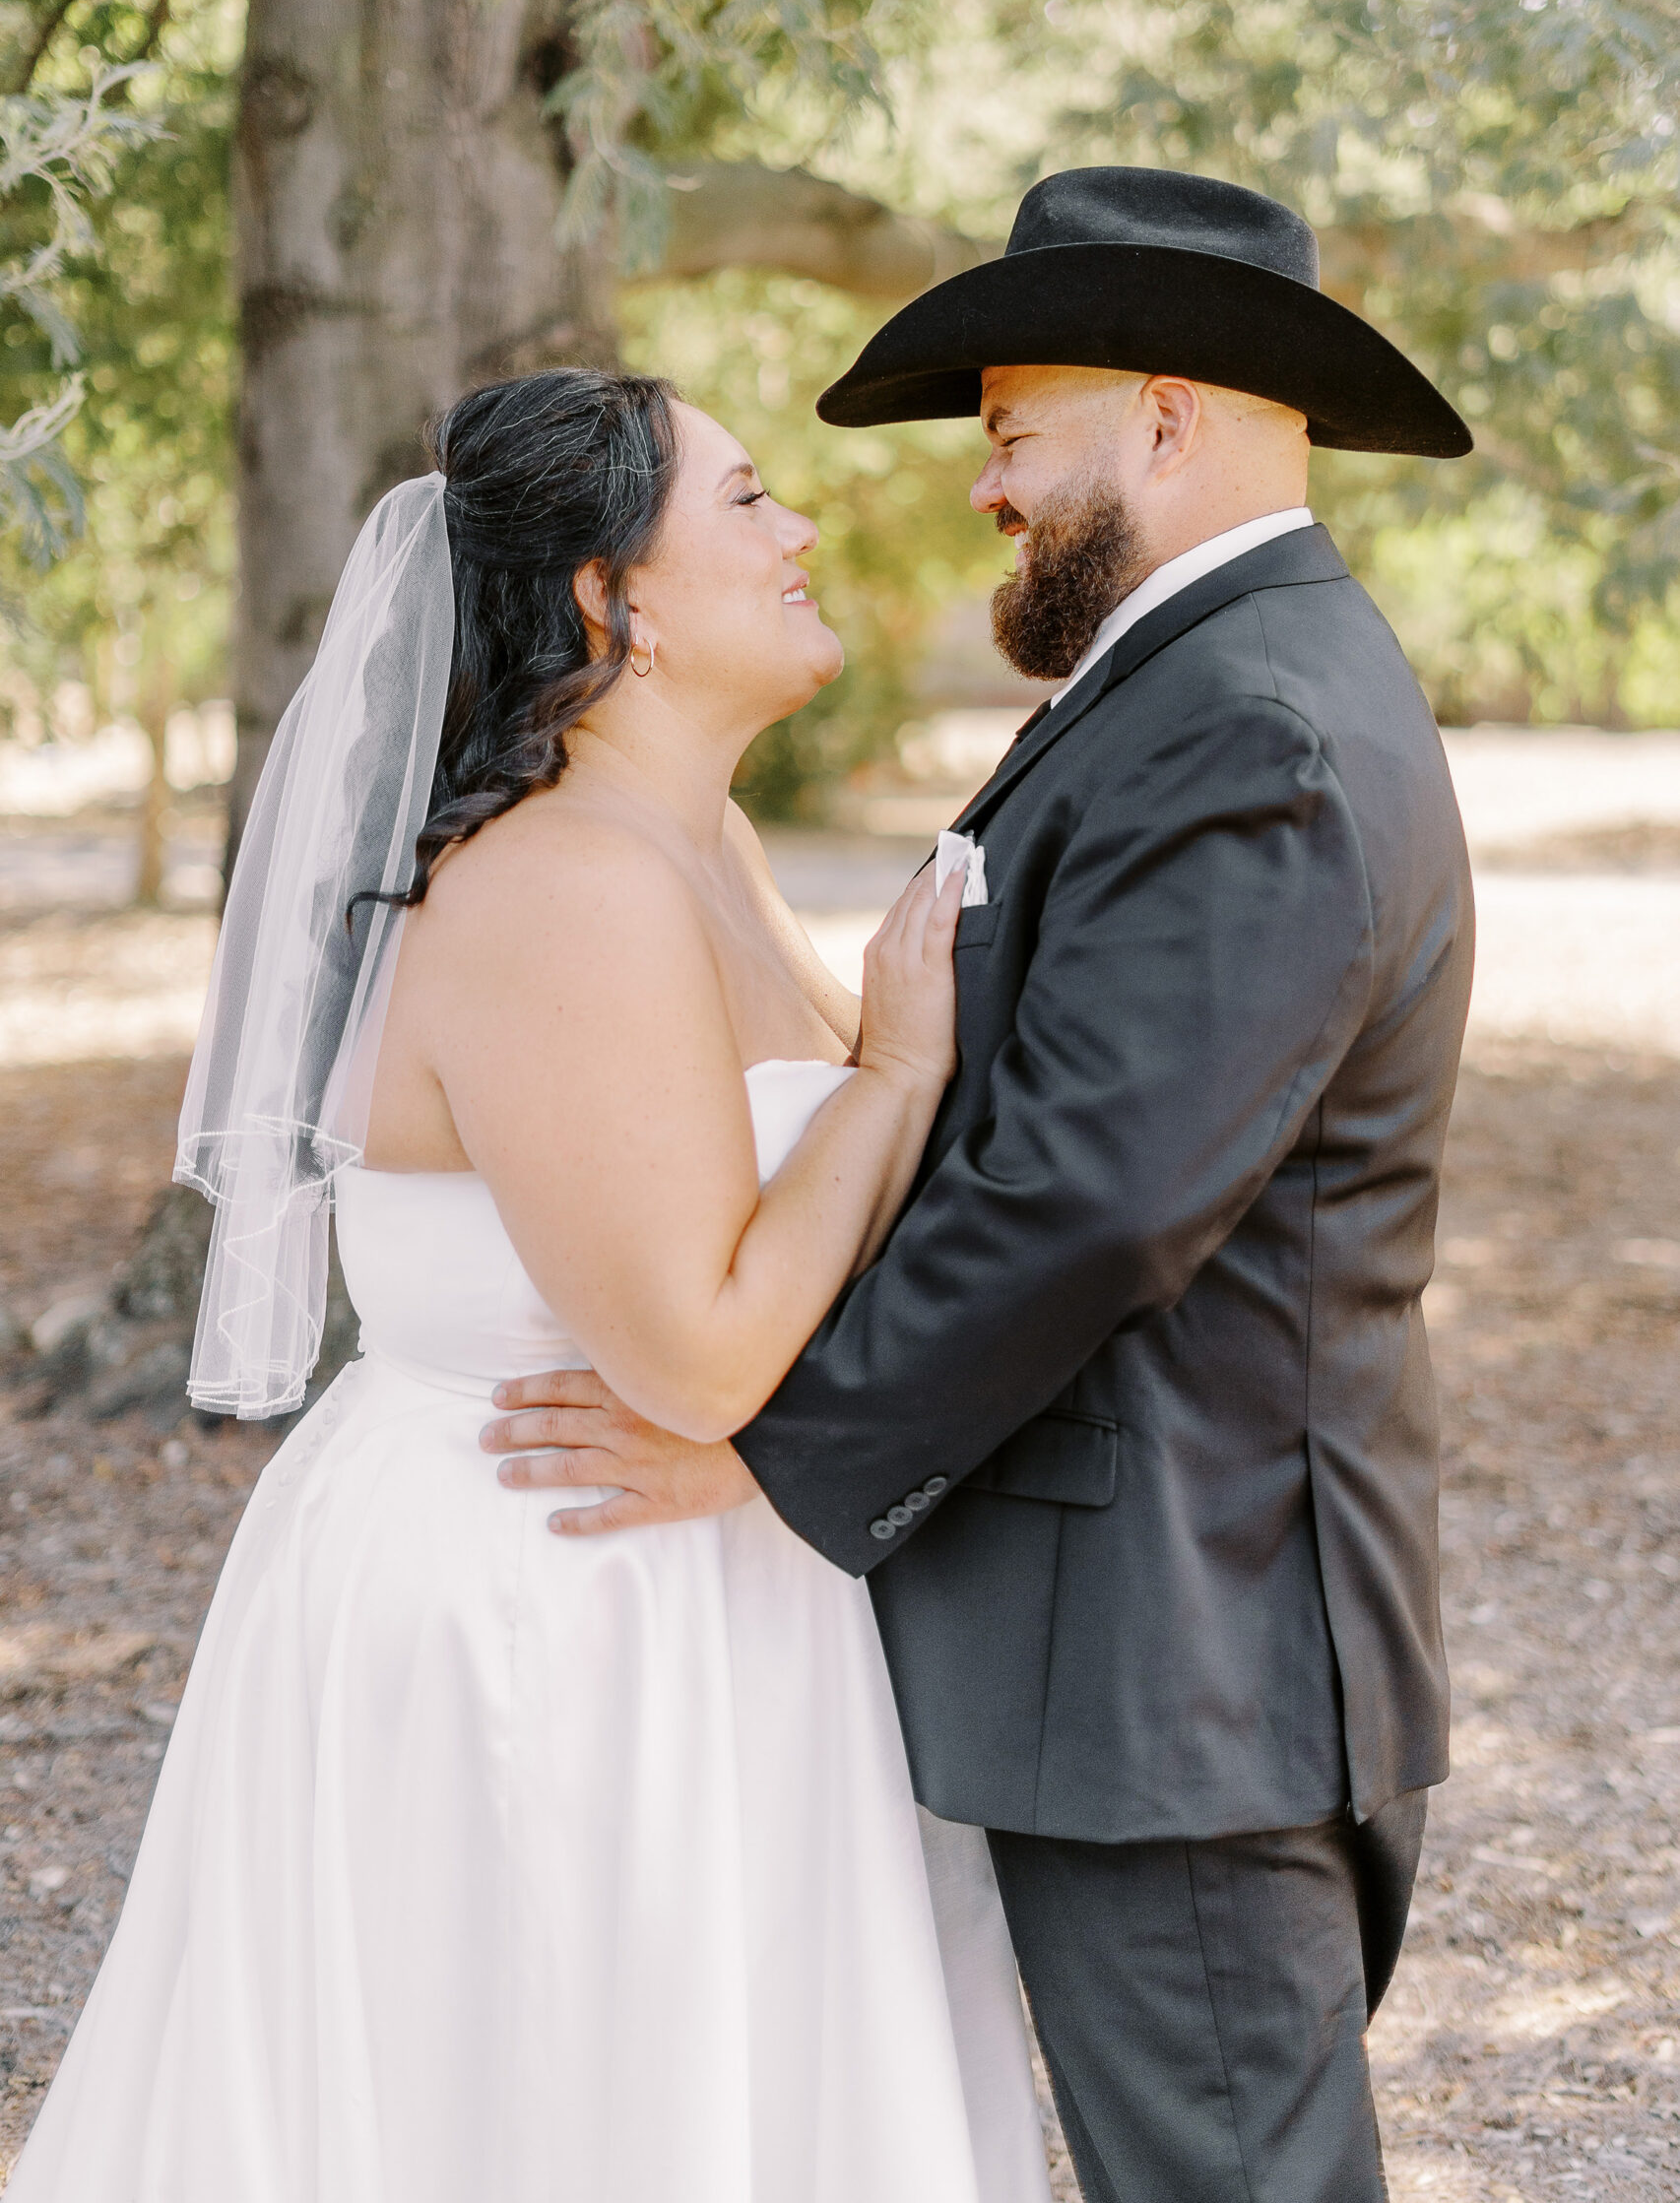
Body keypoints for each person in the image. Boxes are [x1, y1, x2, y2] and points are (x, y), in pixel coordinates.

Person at [485, 166, 1479, 2203]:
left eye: (1013, 428)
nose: (981, 488)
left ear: (1170, 413)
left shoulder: (1254, 722)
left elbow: (1097, 1195)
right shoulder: (1197, 684)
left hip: (1180, 1647)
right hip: (1145, 1638)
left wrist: (776, 1450)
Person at [7, 368, 1054, 2202]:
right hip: (548, 1594)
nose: (800, 529)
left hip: (710, 1578)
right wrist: (893, 1075)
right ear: (606, 594)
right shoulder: (561, 885)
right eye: (745, 501)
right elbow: (704, 1355)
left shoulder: (698, 841)